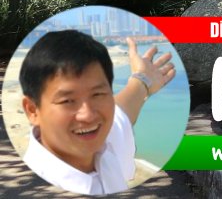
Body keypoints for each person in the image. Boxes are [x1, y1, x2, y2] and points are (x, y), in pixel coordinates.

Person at [19, 30, 175, 195]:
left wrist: (143, 79)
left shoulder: (101, 143)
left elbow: (121, 113)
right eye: (67, 101)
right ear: (32, 110)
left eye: (98, 94)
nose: (88, 115)